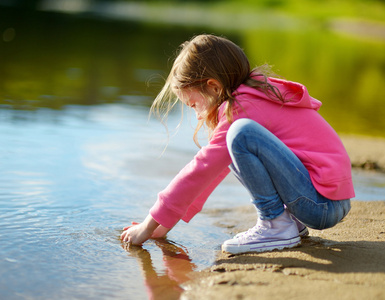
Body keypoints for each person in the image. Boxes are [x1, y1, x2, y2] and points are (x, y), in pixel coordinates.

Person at [121, 34, 354, 254]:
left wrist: (148, 225)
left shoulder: (244, 109)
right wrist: (165, 223)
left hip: (319, 205)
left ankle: (275, 225)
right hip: (327, 201)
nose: (197, 115)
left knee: (240, 133)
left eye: (193, 105)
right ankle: (287, 223)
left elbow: (200, 169)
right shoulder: (254, 96)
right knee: (233, 143)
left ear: (213, 87)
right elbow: (213, 170)